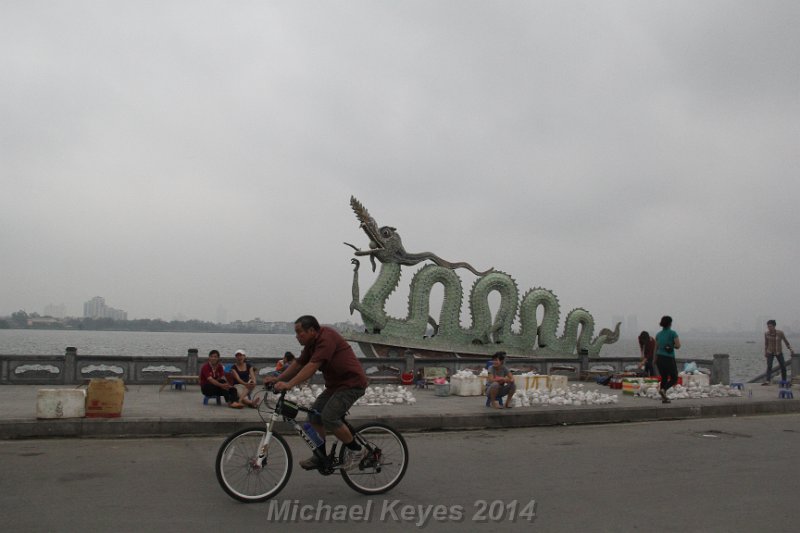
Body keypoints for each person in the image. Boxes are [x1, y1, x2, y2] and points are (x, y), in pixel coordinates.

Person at [265, 315, 368, 470]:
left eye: (300, 332)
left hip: (352, 383)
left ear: (312, 330)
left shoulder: (327, 338)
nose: (297, 336)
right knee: (314, 415)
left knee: (329, 417)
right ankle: (320, 457)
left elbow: (312, 366)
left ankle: (357, 450)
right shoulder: (311, 344)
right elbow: (298, 363)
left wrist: (289, 384)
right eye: (296, 333)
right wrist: (277, 379)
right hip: (335, 386)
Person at [654, 316, 680, 403]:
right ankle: (664, 390)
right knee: (674, 378)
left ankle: (664, 398)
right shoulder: (673, 333)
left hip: (659, 359)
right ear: (670, 323)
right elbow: (678, 345)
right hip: (669, 358)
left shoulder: (658, 335)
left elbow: (656, 348)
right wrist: (671, 345)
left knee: (664, 378)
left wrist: (654, 359)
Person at [763, 319, 794, 385]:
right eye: (768, 326)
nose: (769, 328)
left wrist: (790, 349)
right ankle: (767, 380)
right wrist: (765, 352)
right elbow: (766, 344)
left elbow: (786, 341)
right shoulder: (766, 334)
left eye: (770, 326)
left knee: (783, 366)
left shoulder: (780, 333)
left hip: (778, 352)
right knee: (769, 366)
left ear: (774, 326)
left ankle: (784, 380)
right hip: (770, 351)